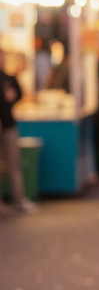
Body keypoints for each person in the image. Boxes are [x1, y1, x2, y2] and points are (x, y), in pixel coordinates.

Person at [0, 49, 34, 212]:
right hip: (6, 124)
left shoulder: (8, 78)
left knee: (13, 164)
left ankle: (19, 200)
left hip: (8, 125)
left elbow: (18, 94)